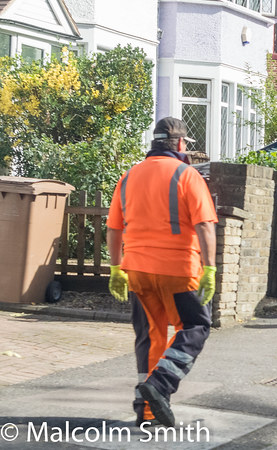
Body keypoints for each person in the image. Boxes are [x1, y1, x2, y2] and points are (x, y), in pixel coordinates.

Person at [106, 117, 218, 427]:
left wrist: (116, 268)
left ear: (153, 144)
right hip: (179, 271)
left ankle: (148, 409)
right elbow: (205, 226)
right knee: (196, 327)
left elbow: (114, 228)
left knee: (151, 334)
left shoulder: (128, 177)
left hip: (138, 271)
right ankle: (160, 385)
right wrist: (209, 269)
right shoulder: (188, 175)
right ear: (181, 145)